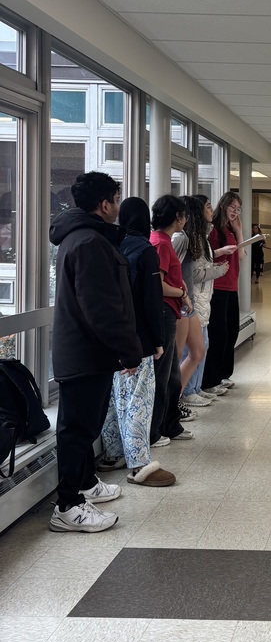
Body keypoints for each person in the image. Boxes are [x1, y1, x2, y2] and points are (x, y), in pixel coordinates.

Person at [48, 171, 143, 532]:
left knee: (86, 427)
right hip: (84, 354)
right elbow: (101, 308)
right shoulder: (88, 243)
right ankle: (67, 506)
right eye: (116, 200)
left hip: (89, 353)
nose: (118, 207)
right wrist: (129, 350)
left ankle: (86, 484)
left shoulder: (85, 238)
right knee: (77, 429)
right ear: (104, 204)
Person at [99, 198, 176, 487]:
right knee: (138, 402)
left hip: (111, 336)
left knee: (114, 398)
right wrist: (157, 341)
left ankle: (114, 453)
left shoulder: (112, 245)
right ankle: (139, 465)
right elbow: (151, 301)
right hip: (138, 339)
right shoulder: (146, 251)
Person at [149, 195, 193, 445]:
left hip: (171, 312)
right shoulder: (161, 244)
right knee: (163, 374)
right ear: (177, 217)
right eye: (183, 215)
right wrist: (182, 294)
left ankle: (170, 425)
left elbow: (171, 277)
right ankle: (156, 431)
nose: (185, 219)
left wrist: (181, 287)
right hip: (166, 312)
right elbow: (160, 285)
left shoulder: (162, 240)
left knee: (172, 373)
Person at [202, 192, 245, 391]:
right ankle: (212, 378)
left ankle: (224, 374)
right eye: (232, 208)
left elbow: (242, 255)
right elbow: (206, 257)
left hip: (231, 286)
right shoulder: (213, 229)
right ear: (224, 206)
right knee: (219, 334)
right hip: (217, 286)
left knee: (231, 331)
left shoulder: (231, 229)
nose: (235, 212)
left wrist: (239, 231)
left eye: (238, 209)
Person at [171, 196, 207, 418]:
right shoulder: (179, 238)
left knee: (198, 351)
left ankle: (175, 397)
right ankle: (172, 402)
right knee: (176, 358)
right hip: (180, 304)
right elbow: (167, 272)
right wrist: (182, 293)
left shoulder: (188, 237)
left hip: (187, 302)